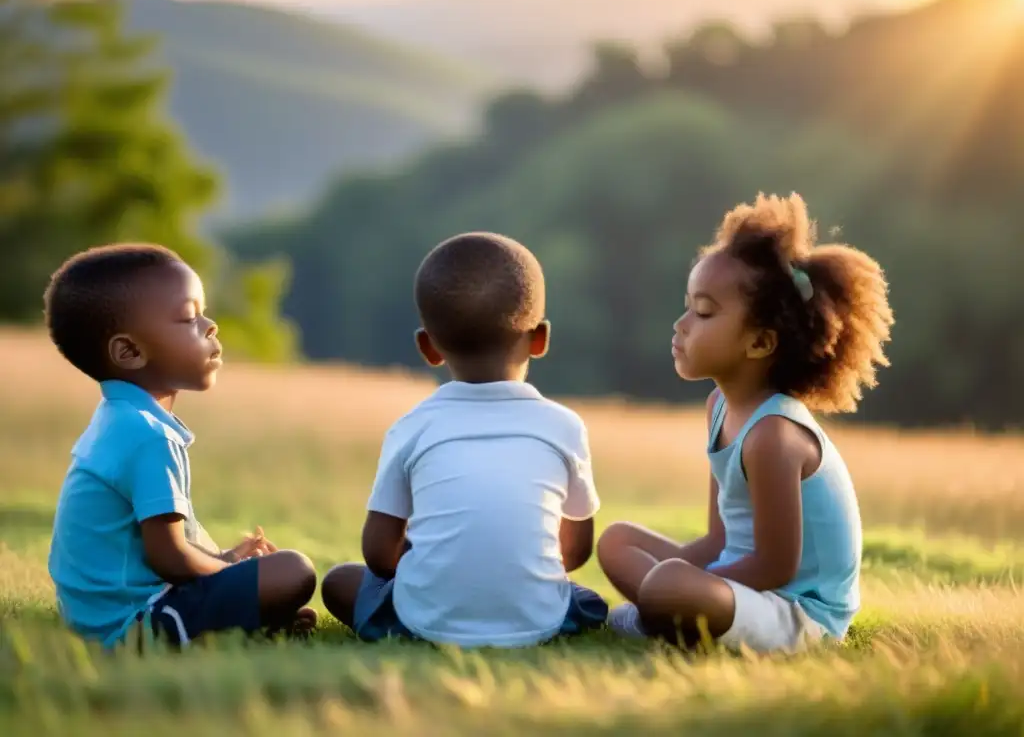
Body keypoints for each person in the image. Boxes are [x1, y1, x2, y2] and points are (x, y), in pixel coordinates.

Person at [598, 193, 894, 654]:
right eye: (687, 307)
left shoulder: (773, 436)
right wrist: (675, 578)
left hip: (795, 613)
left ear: (759, 343)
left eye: (704, 312)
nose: (680, 325)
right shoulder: (720, 405)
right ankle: (669, 611)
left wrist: (681, 582)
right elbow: (721, 538)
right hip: (741, 586)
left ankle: (666, 612)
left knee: (669, 582)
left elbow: (776, 567)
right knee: (617, 542)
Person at [320, 232, 608, 647]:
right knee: (587, 601)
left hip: (424, 620)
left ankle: (427, 613)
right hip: (537, 621)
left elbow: (378, 554)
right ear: (540, 338)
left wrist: (436, 569)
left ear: (428, 347)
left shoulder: (412, 427)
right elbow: (575, 552)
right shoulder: (564, 425)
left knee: (340, 581)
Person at [45, 244, 318, 649]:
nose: (210, 326)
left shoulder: (117, 419)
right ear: (130, 352)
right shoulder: (148, 436)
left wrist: (225, 561)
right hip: (132, 625)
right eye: (189, 318)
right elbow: (168, 558)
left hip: (98, 618)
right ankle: (231, 625)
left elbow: (155, 548)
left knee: (267, 576)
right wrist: (228, 574)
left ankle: (247, 622)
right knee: (294, 570)